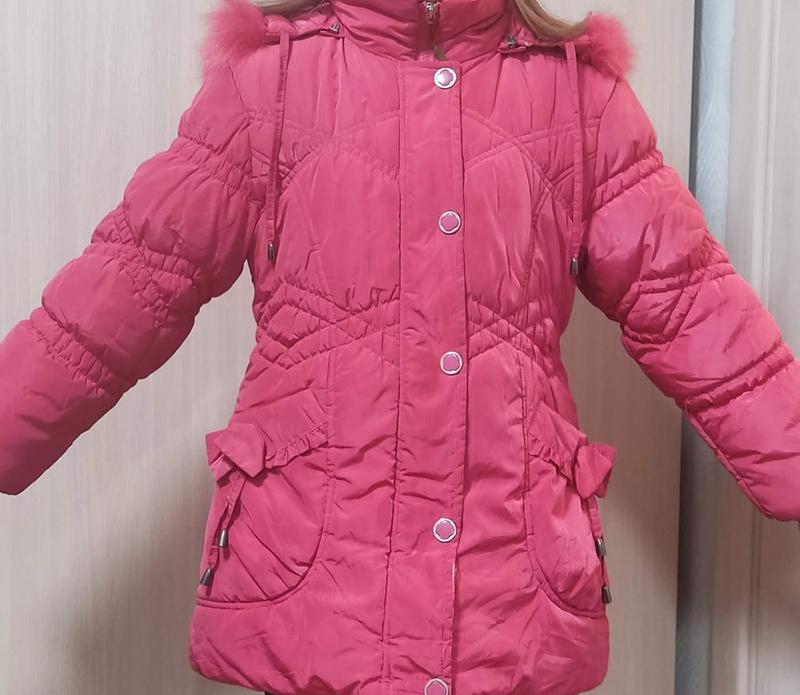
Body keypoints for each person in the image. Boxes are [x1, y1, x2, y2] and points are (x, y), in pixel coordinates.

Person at [1, 1, 798, 694]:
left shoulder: (577, 96)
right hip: (318, 588)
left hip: (505, 587)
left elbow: (688, 299)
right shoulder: (269, 85)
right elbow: (130, 280)